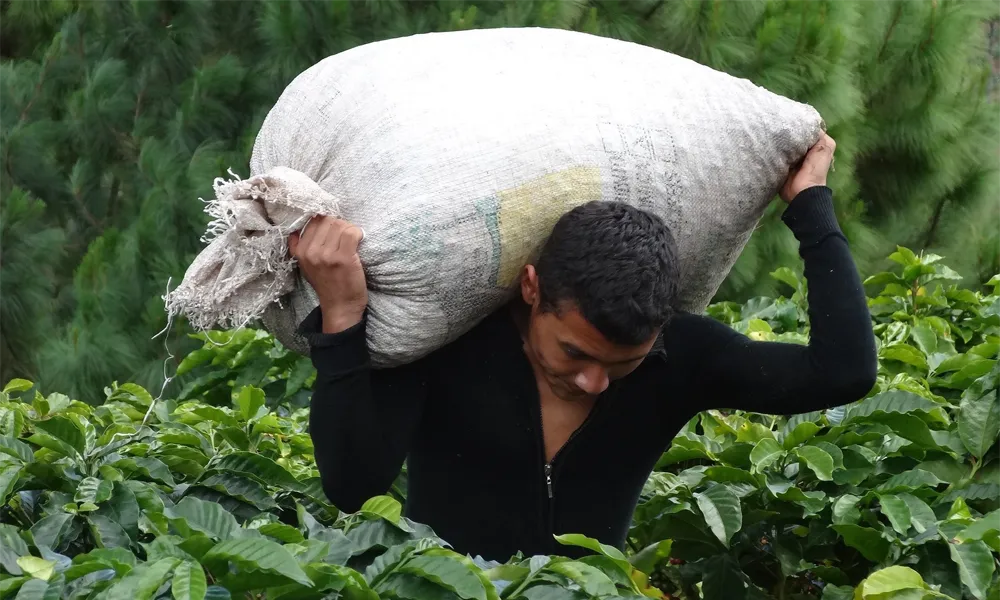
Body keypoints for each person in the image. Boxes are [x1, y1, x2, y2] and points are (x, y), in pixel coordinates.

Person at [287, 132, 877, 561]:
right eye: (574, 353)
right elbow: (353, 483)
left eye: (623, 363)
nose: (594, 382)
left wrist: (811, 209)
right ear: (531, 289)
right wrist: (342, 317)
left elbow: (843, 372)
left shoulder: (682, 359)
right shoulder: (450, 339)